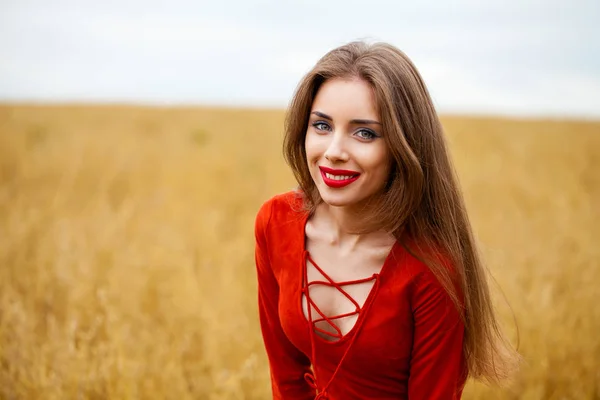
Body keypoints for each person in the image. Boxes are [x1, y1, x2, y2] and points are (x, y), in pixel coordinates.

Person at [254, 41, 518, 400]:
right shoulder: (276, 221)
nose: (334, 152)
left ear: (403, 145)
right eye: (321, 125)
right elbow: (286, 379)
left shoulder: (431, 268)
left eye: (365, 133)